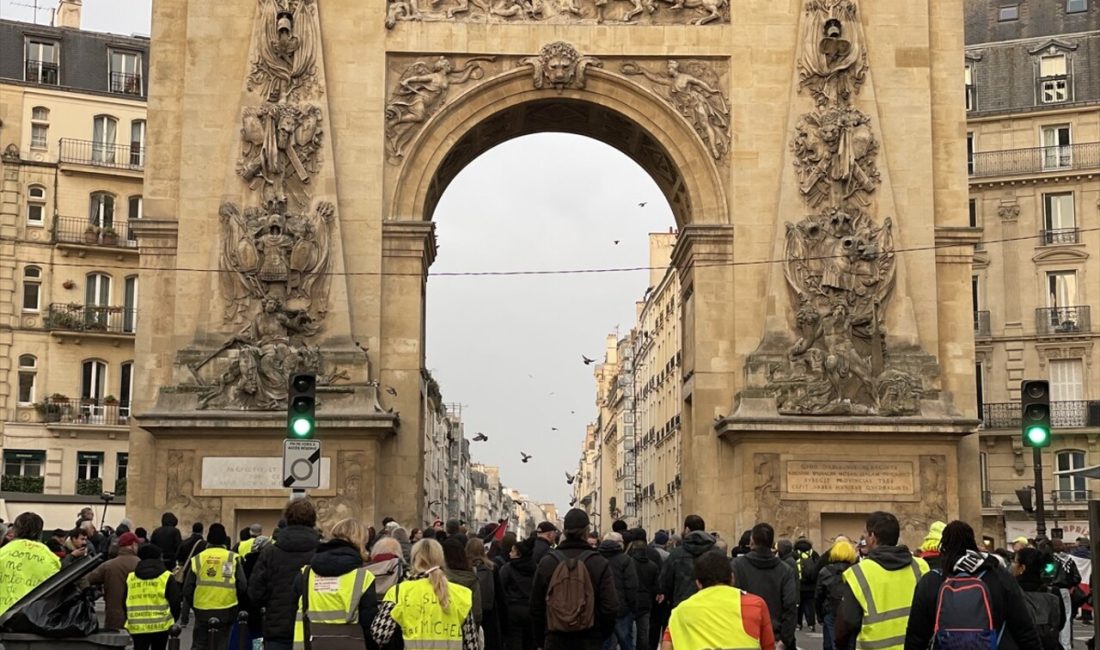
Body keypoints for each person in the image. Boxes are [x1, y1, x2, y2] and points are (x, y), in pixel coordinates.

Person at [904, 520, 1042, 650]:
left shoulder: (931, 581)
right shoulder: (999, 576)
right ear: (972, 544)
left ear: (943, 547)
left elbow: (916, 636)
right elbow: (1024, 628)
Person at [836, 512, 927, 650]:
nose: (864, 538)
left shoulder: (858, 573)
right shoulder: (920, 567)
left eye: (866, 533)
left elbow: (848, 621)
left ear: (872, 537)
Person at [531, 508, 619, 650]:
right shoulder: (598, 562)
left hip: (555, 638)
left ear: (564, 531)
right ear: (586, 532)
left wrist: (542, 639)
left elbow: (536, 606)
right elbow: (610, 607)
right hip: (589, 638)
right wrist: (600, 635)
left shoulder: (548, 562)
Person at [371, 538, 478, 649]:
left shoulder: (399, 592)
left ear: (414, 559)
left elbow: (380, 635)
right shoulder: (461, 594)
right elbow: (471, 644)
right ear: (441, 559)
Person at [292, 518, 378, 649]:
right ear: (361, 542)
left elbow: (291, 612)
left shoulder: (306, 574)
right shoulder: (363, 578)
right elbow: (369, 626)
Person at [662, 551, 775, 650]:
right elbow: (769, 646)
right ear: (732, 578)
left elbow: (666, 647)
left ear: (698, 583)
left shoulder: (679, 612)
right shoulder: (755, 605)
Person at [248, 498, 321, 650]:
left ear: (287, 518)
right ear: (313, 519)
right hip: (314, 628)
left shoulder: (270, 552)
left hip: (278, 628)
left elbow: (255, 593)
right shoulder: (322, 552)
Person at [732, 523, 797, 649]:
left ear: (752, 541)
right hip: (775, 636)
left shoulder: (737, 566)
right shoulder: (785, 570)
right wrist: (785, 640)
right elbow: (790, 607)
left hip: (744, 635)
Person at [183, 523, 247, 650]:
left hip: (202, 608)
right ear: (224, 540)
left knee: (199, 644)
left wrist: (194, 605)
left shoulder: (198, 558)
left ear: (208, 539)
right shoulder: (230, 558)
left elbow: (187, 589)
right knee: (222, 644)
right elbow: (242, 585)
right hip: (226, 608)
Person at [0, 512, 60, 615]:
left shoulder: (3, 552)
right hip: (35, 616)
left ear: (15, 530)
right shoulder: (51, 557)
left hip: (3, 614)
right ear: (40, 532)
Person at [125, 543, 183, 650]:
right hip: (161, 625)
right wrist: (172, 619)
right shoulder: (166, 576)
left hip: (137, 625)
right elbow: (175, 601)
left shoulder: (131, 577)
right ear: (158, 557)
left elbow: (124, 600)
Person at [658, 514, 718, 607]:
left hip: (683, 605)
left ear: (687, 530)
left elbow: (665, 582)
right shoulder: (717, 553)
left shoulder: (676, 554)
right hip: (711, 605)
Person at [1012, 546, 1066, 650]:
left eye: (1015, 561)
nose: (1012, 565)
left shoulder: (1011, 592)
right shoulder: (1053, 592)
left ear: (1022, 568)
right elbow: (1060, 622)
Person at [88, 531, 142, 629]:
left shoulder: (108, 565)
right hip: (137, 617)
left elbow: (90, 579)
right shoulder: (141, 565)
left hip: (114, 617)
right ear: (133, 545)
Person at [598, 532, 639, 650]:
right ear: (618, 544)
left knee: (604, 644)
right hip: (622, 609)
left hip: (602, 609)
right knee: (626, 643)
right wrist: (632, 607)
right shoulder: (625, 560)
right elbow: (632, 586)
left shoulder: (596, 558)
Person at [815, 539, 858, 650]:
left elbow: (819, 595)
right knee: (851, 644)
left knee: (832, 643)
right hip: (852, 611)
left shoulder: (825, 571)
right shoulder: (857, 570)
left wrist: (820, 615)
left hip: (831, 610)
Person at [500, 538, 536, 650]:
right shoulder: (536, 568)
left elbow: (501, 587)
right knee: (529, 641)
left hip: (513, 610)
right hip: (531, 609)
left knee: (514, 641)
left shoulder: (508, 568)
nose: (509, 554)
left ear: (518, 554)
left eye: (512, 551)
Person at [629, 533, 660, 650]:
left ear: (633, 549)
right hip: (646, 602)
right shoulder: (652, 566)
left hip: (632, 601)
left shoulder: (629, 563)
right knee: (644, 633)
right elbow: (656, 586)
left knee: (630, 632)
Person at [443, 537, 483, 625]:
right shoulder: (471, 575)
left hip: (443, 624)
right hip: (466, 624)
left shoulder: (439, 577)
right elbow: (476, 610)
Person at [795, 537, 820, 632]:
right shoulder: (813, 554)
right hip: (811, 586)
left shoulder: (795, 554)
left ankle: (798, 624)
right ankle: (811, 624)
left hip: (799, 585)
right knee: (810, 606)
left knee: (799, 606)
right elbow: (818, 566)